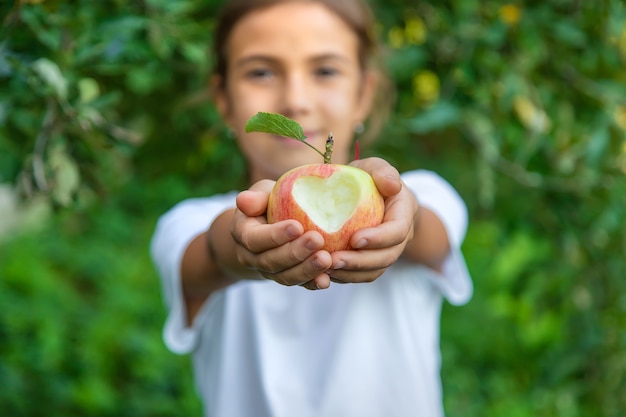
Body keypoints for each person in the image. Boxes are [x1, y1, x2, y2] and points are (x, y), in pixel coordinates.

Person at [150, 0, 473, 416]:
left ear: (364, 95)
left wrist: (402, 220)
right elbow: (214, 253)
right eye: (261, 72)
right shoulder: (187, 223)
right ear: (223, 99)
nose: (295, 100)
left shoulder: (416, 194)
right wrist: (245, 248)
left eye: (325, 70)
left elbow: (425, 233)